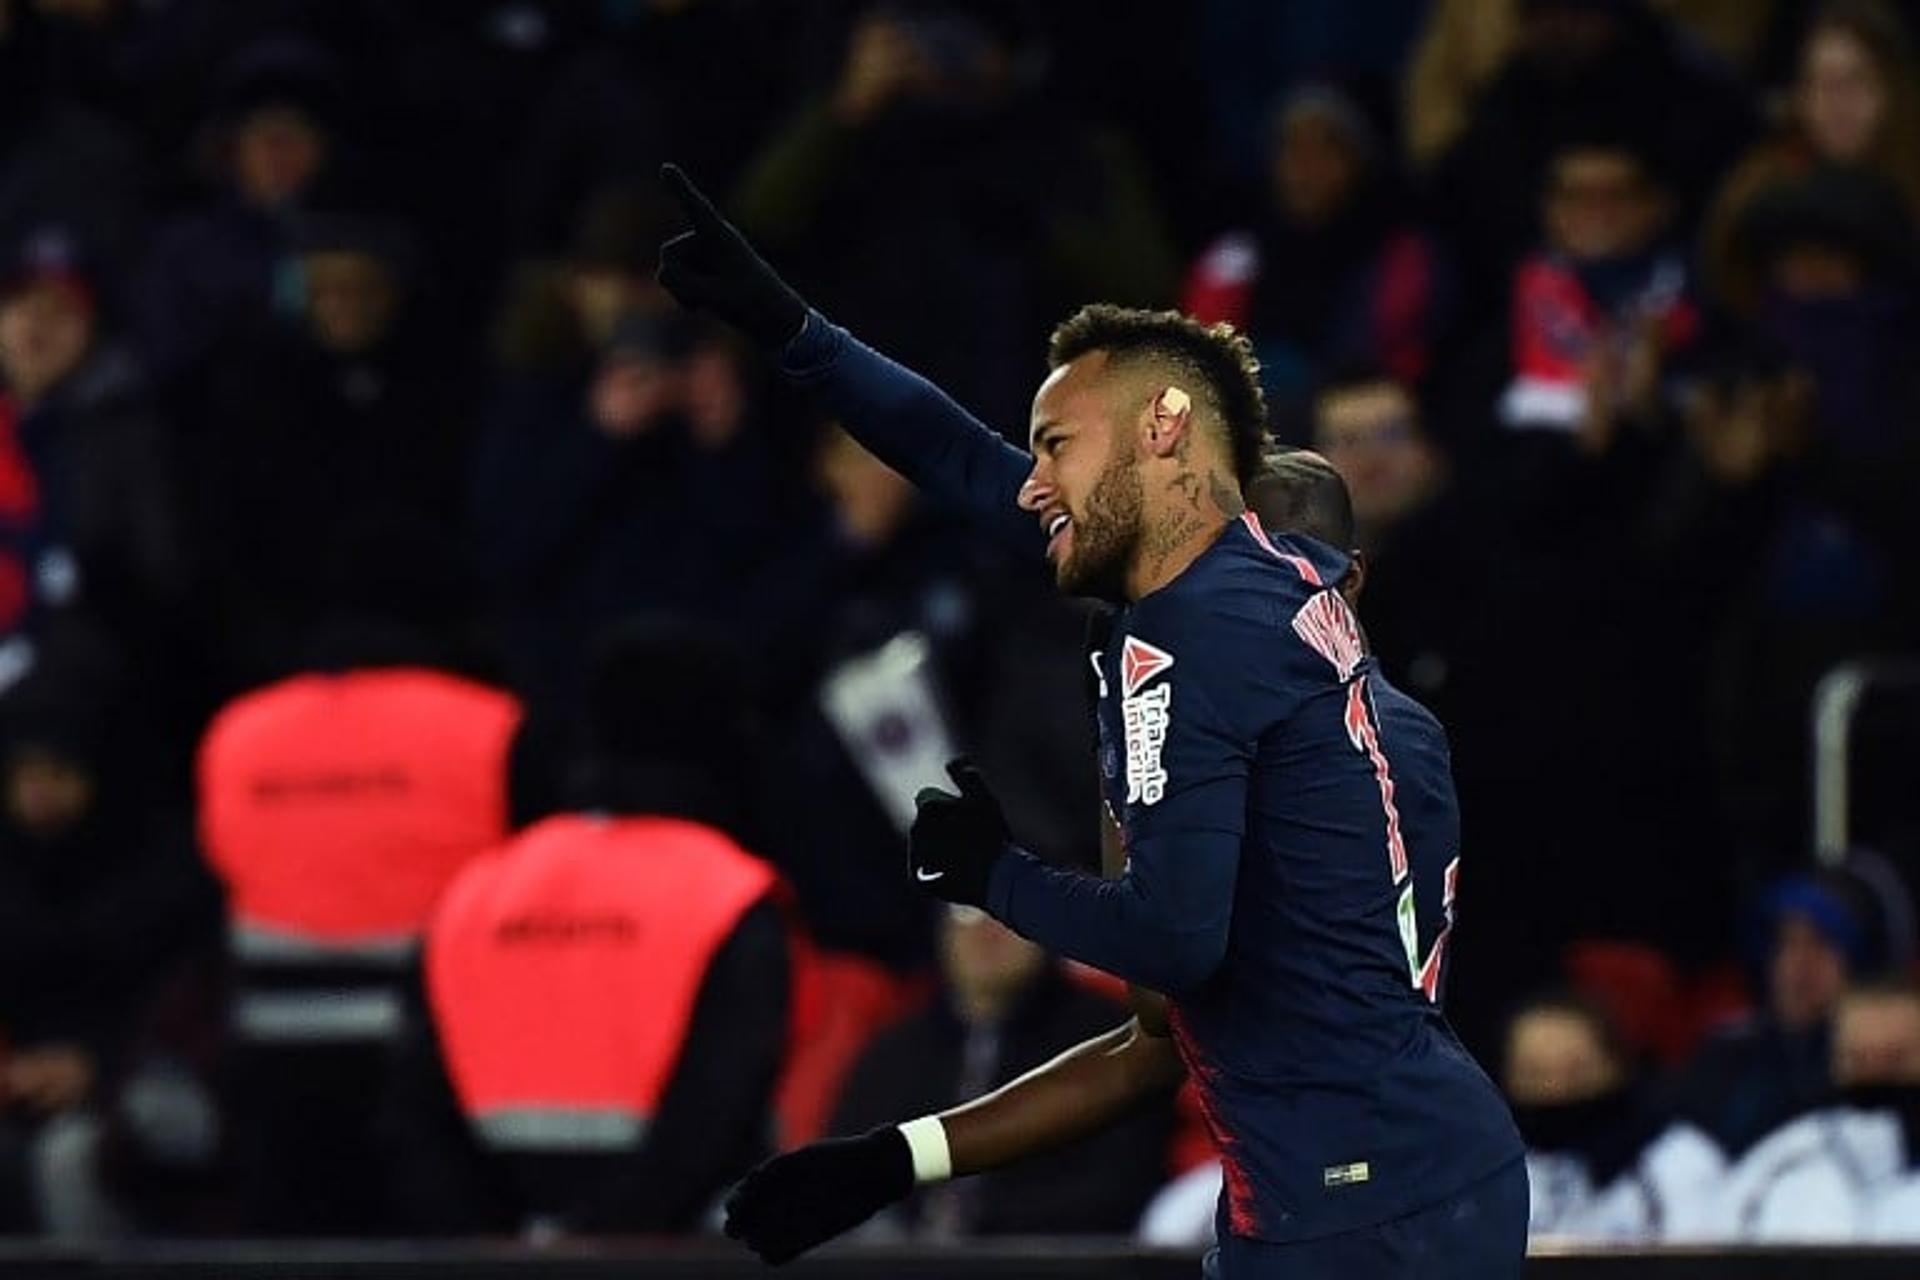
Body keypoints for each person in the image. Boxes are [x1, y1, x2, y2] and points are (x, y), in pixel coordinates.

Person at [657, 166, 1525, 1276]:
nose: (1038, 491)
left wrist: (998, 877)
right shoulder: (1345, 702)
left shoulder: (1204, 633)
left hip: (1361, 1206)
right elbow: (1156, 1040)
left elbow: (1170, 947)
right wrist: (895, 1156)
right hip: (1370, 1182)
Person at [384, 618, 793, 1237]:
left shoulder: (477, 892)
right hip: (673, 1254)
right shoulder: (725, 894)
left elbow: (417, 1114)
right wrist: (596, 1244)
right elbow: (714, 1116)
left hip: (498, 1254)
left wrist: (499, 1245)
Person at [1704, 980, 1920, 1240]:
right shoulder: (1782, 1160)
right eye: (1859, 1059)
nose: (1876, 1075)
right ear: (1836, 1060)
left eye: (1895, 1059)